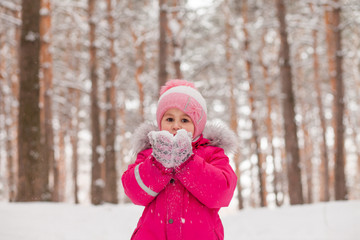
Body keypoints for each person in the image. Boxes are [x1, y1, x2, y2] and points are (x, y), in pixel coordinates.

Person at [122, 79, 237, 240]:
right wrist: (158, 163)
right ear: (160, 122)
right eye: (169, 119)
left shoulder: (211, 153)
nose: (176, 126)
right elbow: (135, 193)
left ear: (198, 124)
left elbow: (221, 193)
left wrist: (188, 162)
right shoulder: (149, 154)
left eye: (184, 120)